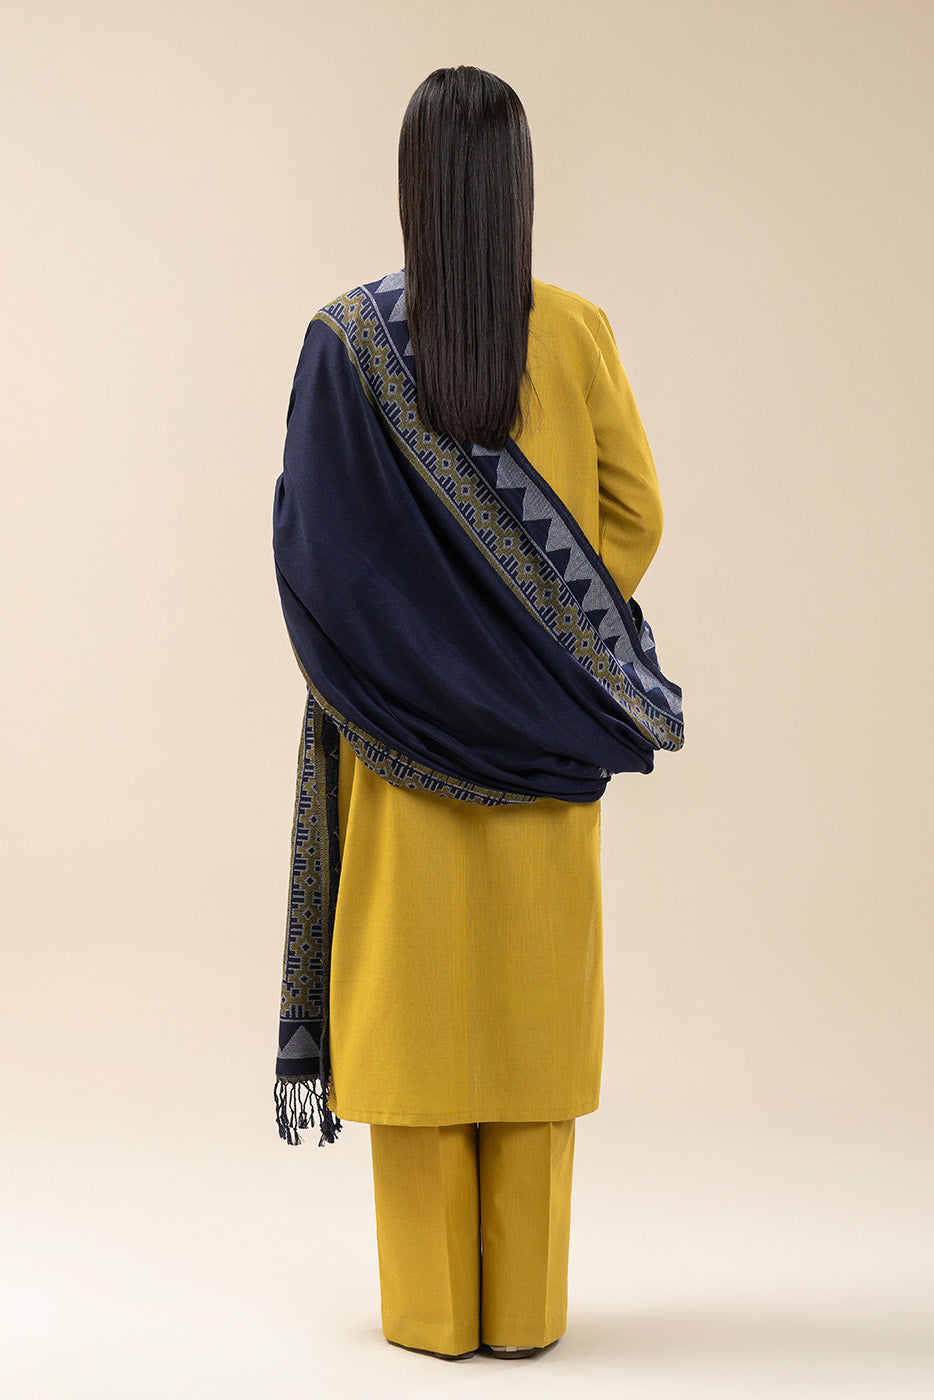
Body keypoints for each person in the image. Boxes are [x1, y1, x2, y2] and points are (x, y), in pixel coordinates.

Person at [272, 65, 676, 1363]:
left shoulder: (344, 346)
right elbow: (632, 517)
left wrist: (419, 668)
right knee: (526, 1038)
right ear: (517, 188)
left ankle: (432, 1321)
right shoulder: (577, 331)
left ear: (412, 184)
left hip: (397, 763)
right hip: (548, 754)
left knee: (419, 1032)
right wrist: (534, 654)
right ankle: (527, 1318)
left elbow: (314, 556)